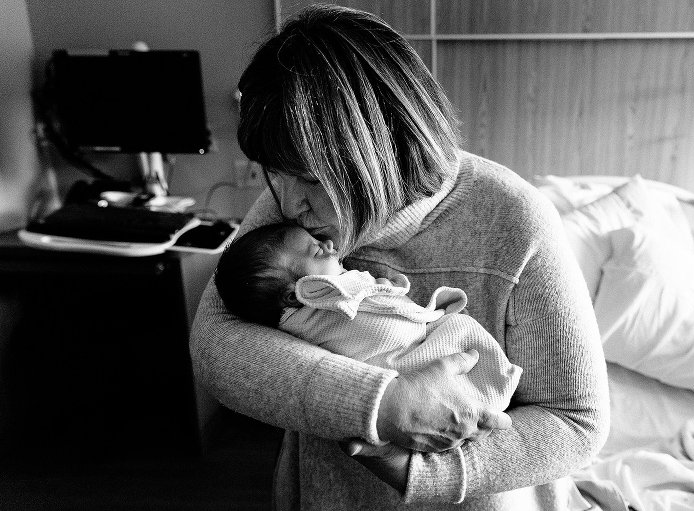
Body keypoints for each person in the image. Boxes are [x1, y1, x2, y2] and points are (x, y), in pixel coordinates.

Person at [190, 4, 609, 510]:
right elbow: (215, 342)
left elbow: (577, 421)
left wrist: (423, 471)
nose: (290, 203)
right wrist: (384, 403)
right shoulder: (293, 210)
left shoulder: (515, 219)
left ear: (384, 152)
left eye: (311, 178)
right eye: (274, 173)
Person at [213, 222, 522, 417]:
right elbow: (387, 325)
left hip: (403, 373)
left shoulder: (308, 307)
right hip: (399, 365)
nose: (330, 246)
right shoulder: (325, 297)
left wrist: (380, 291)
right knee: (459, 329)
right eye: (317, 251)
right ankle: (487, 391)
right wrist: (384, 293)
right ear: (300, 293)